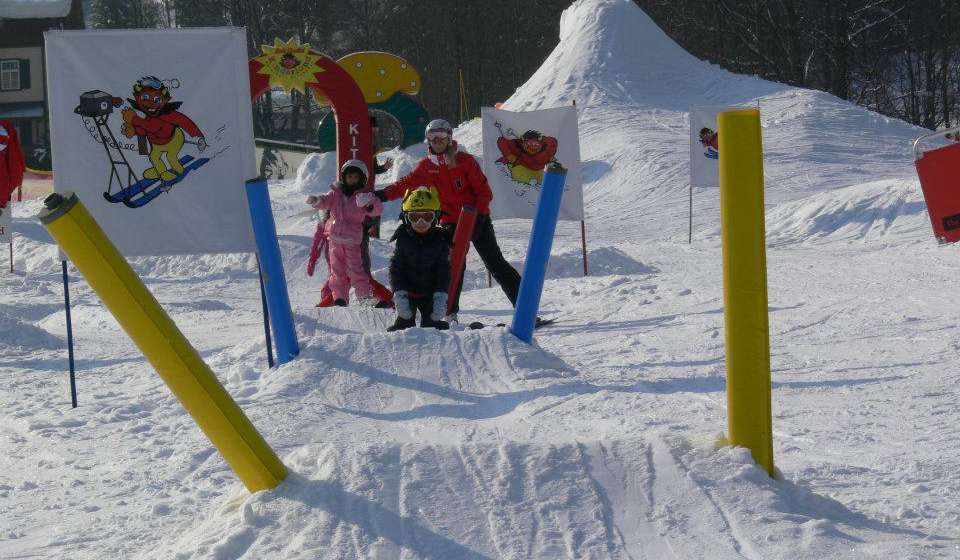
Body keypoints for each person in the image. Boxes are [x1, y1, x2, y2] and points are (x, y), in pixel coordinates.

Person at [374, 118, 521, 323]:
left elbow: (484, 192)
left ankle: (524, 308)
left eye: (441, 137)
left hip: (477, 219)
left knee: (495, 263)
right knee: (453, 266)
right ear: (428, 141)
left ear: (449, 138)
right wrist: (381, 195)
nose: (438, 142)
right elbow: (405, 184)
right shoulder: (426, 166)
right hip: (451, 223)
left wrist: (478, 215)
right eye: (433, 139)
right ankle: (449, 312)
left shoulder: (465, 161)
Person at [306, 159, 383, 306]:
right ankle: (339, 298)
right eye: (349, 177)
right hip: (334, 240)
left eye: (356, 177)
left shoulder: (362, 196)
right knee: (337, 271)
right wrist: (316, 200)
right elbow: (325, 200)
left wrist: (369, 205)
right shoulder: (336, 194)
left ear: (362, 179)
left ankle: (364, 296)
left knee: (356, 270)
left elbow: (377, 208)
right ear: (344, 177)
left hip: (353, 241)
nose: (352, 180)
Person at [387, 186, 450, 331]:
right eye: (415, 217)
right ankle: (402, 326)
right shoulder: (403, 239)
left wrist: (441, 295)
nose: (421, 222)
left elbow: (443, 270)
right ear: (406, 218)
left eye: (427, 217)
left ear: (436, 217)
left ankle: (434, 326)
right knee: (405, 323)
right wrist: (399, 293)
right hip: (408, 294)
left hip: (430, 294)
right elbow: (396, 268)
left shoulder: (440, 240)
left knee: (432, 325)